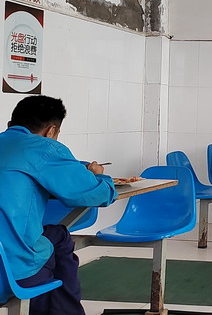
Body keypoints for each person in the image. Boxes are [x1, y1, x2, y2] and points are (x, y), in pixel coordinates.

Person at [0, 95, 117, 315]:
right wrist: (100, 176)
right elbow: (97, 195)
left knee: (48, 238)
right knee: (59, 238)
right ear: (51, 131)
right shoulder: (44, 148)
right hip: (9, 273)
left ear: (10, 125)